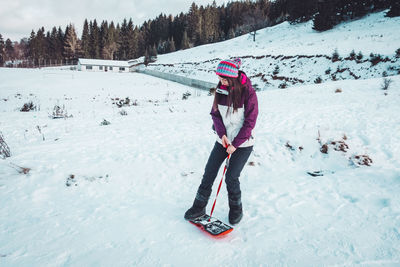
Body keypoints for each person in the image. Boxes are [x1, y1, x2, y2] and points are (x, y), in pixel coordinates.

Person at [184, 58, 258, 225]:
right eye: (219, 78)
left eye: (224, 79)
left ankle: (236, 209)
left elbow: (250, 122)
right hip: (223, 141)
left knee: (231, 177)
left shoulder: (248, 93)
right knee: (209, 172)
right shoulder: (221, 90)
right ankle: (198, 207)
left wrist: (235, 144)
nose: (221, 82)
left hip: (243, 143)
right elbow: (215, 114)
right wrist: (222, 134)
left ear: (232, 77)